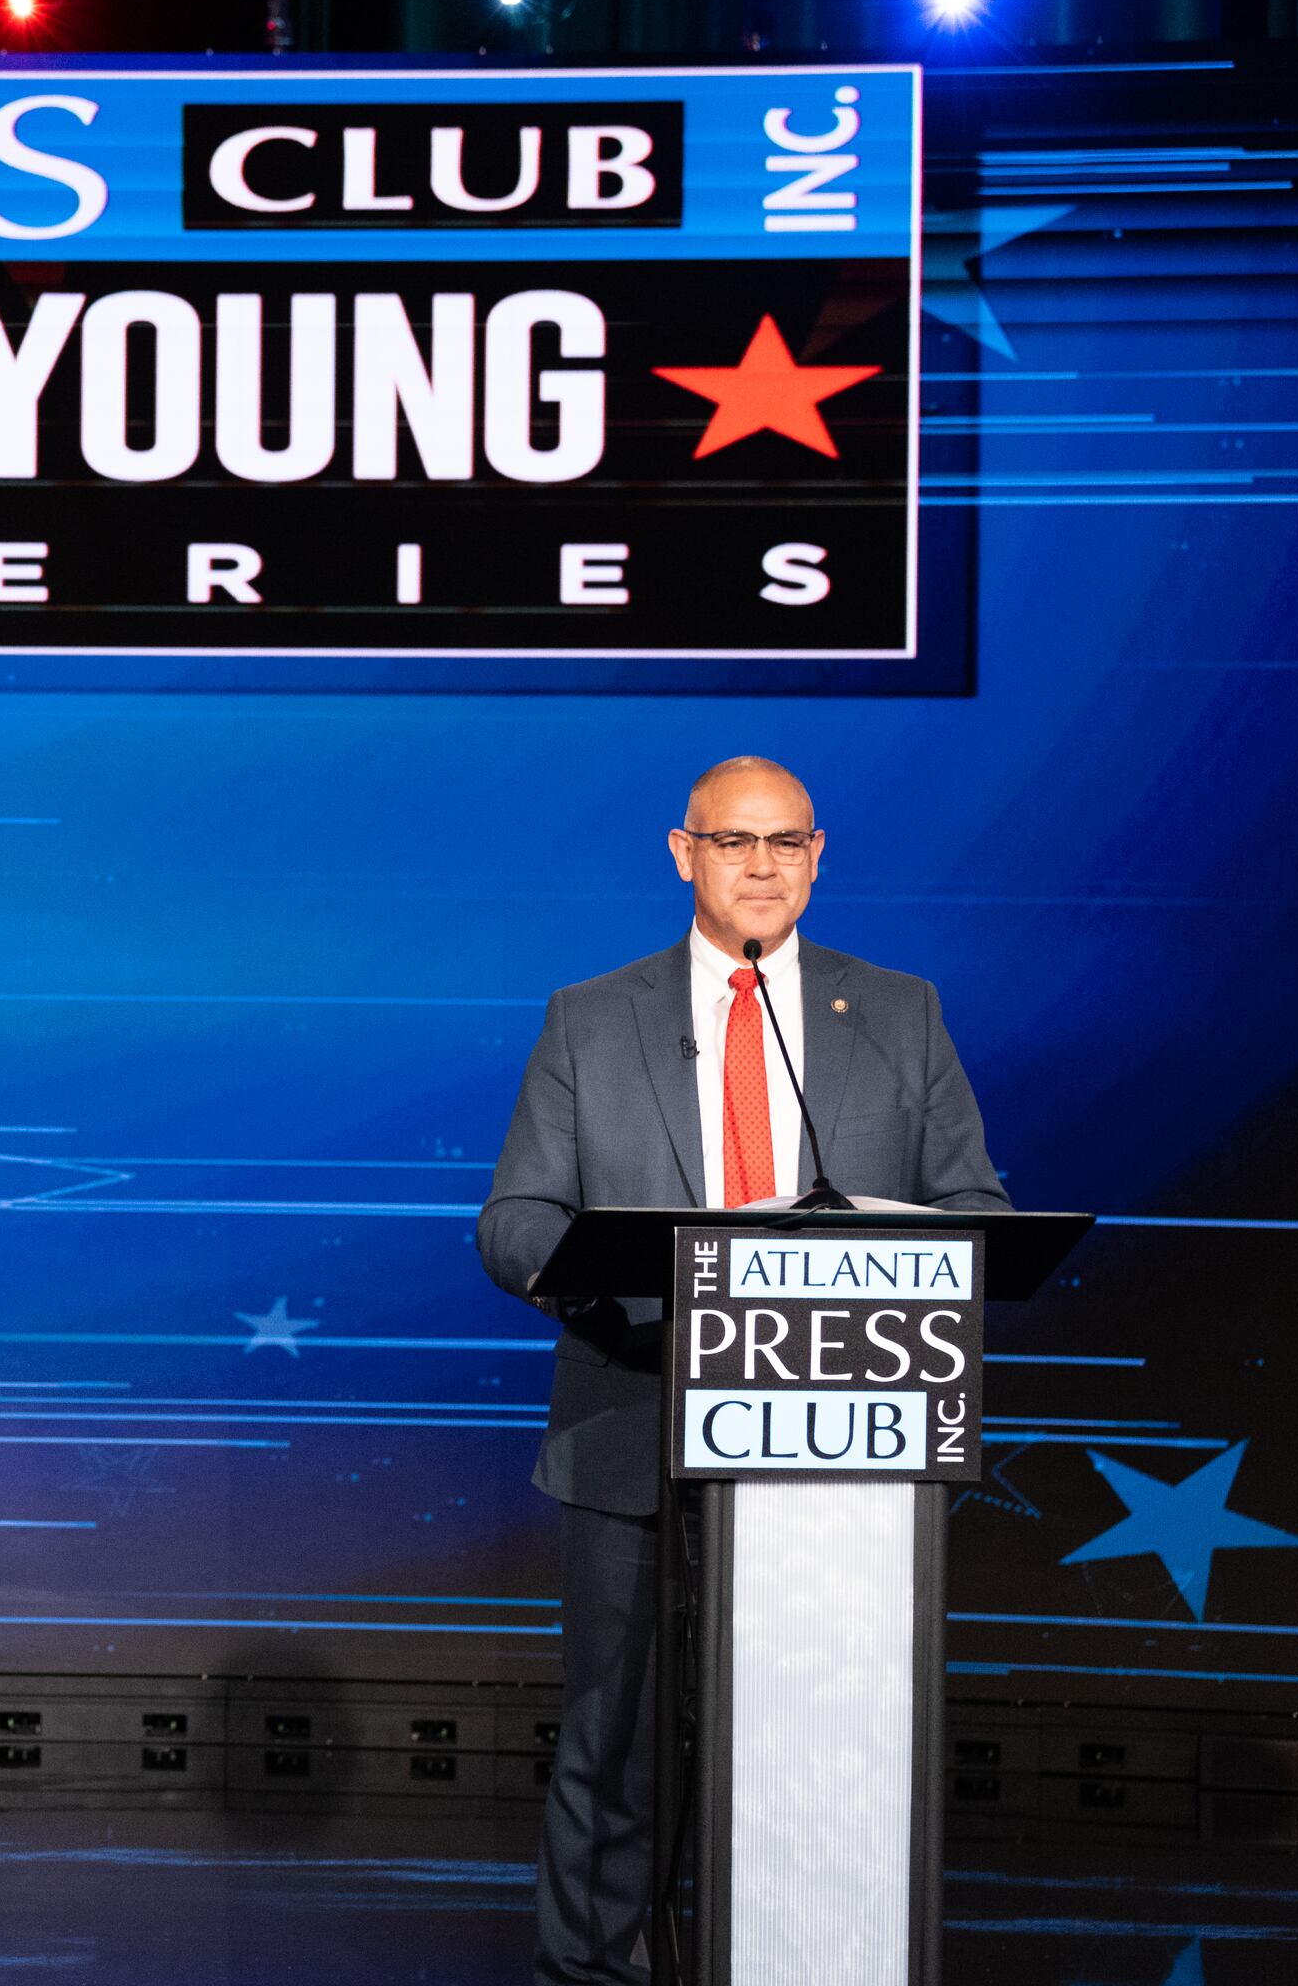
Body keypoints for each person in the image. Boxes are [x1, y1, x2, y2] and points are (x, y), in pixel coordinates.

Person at [477, 756, 1009, 1986]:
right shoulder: (591, 1016)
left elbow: (975, 1207)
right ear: (684, 854)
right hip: (636, 1430)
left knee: (824, 1750)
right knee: (616, 1749)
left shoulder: (900, 1012)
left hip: (843, 1462)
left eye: (786, 845)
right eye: (734, 844)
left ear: (819, 857)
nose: (762, 867)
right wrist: (582, 1278)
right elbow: (515, 1214)